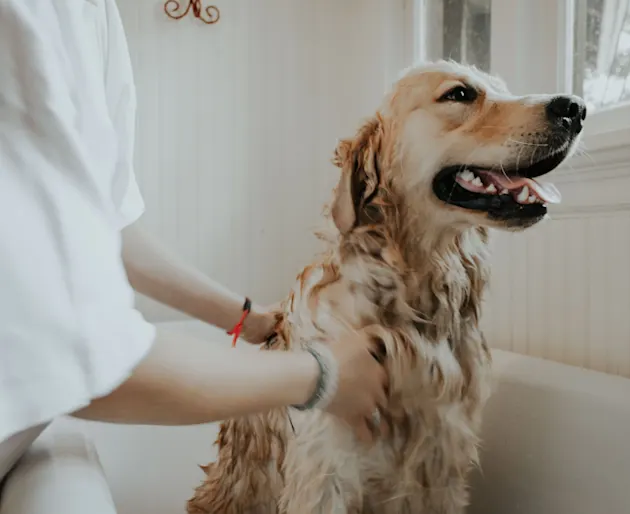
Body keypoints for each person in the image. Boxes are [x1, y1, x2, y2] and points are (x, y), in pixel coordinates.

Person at [0, 1, 387, 511]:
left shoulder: (92, 15)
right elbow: (74, 348)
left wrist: (246, 319)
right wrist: (321, 377)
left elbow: (106, 230)